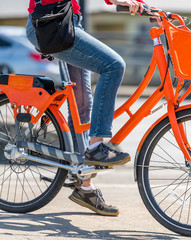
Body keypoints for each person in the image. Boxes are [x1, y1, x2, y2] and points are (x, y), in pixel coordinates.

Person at [26, 0, 145, 216]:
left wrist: (141, 5)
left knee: (82, 105)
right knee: (113, 66)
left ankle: (84, 186)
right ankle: (96, 147)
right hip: (51, 24)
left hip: (67, 22)